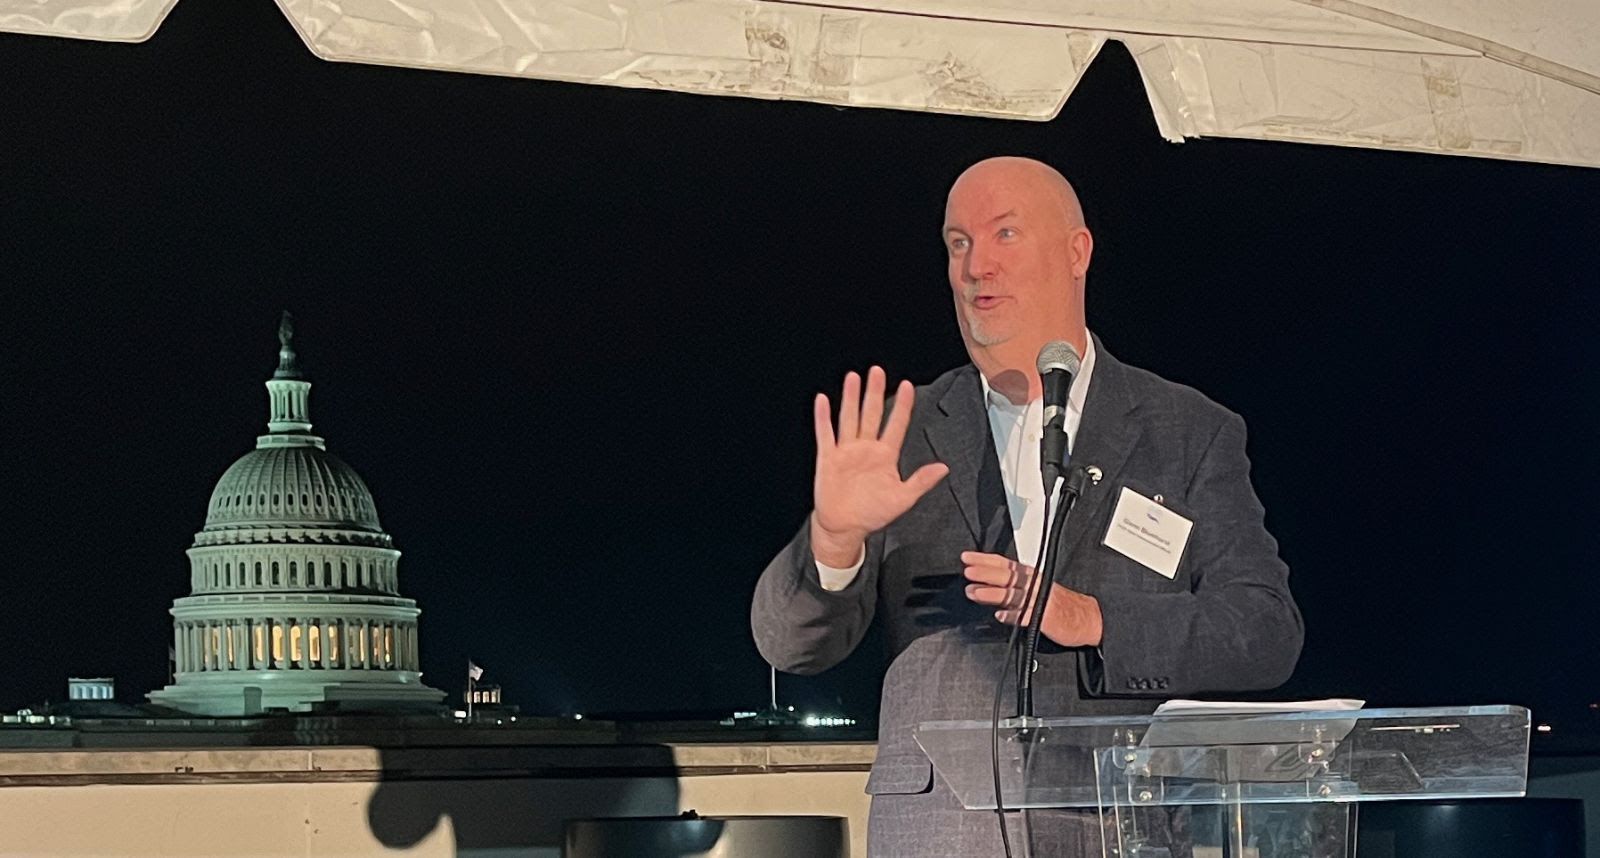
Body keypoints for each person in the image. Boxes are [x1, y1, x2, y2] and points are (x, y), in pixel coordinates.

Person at [751, 156, 1304, 856]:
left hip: (1118, 826)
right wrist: (832, 541)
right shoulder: (902, 430)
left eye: (1005, 234)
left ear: (1078, 252)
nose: (977, 264)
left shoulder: (1187, 431)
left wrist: (1093, 618)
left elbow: (1264, 631)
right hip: (944, 834)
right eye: (958, 243)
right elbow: (788, 644)